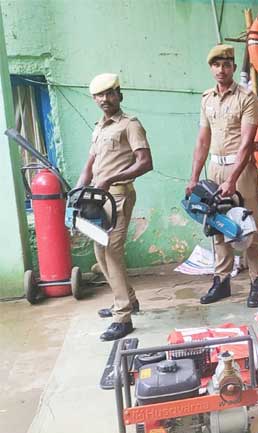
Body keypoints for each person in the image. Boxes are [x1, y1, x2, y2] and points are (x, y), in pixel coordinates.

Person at [187, 44, 258, 307]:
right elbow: (201, 140)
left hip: (239, 169)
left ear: (233, 67)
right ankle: (221, 281)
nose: (221, 70)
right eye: (217, 65)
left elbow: (246, 143)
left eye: (227, 65)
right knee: (217, 225)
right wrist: (194, 178)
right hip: (215, 167)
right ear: (211, 68)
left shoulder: (247, 98)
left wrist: (232, 179)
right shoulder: (206, 99)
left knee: (247, 225)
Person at [76, 73, 153, 341]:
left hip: (119, 197)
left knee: (111, 251)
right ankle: (128, 300)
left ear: (120, 95)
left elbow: (145, 162)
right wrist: (78, 189)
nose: (105, 100)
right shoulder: (99, 127)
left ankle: (123, 316)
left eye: (110, 94)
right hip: (97, 199)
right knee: (100, 251)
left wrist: (111, 178)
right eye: (99, 95)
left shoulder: (130, 125)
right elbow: (90, 163)